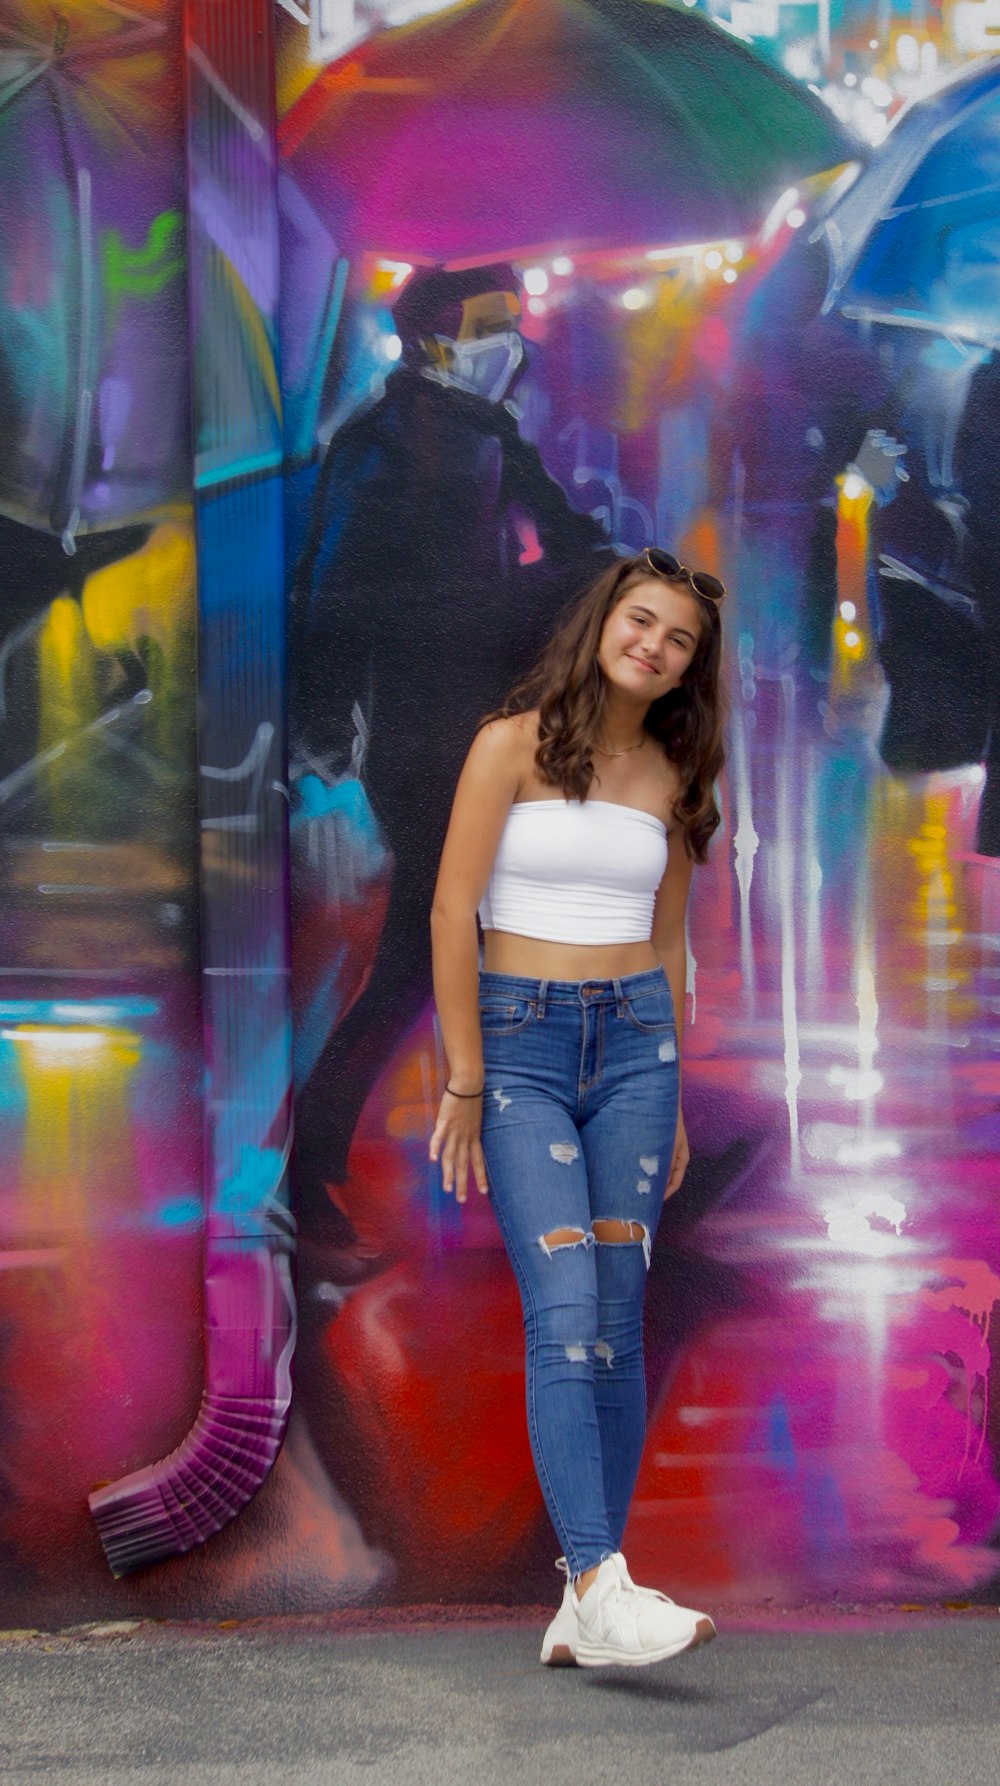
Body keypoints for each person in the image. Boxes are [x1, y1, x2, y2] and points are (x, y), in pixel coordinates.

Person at [428, 547, 725, 1668]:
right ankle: (598, 1580)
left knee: (617, 1315)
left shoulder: (676, 772)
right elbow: (454, 909)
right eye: (639, 621)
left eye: (678, 638)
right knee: (564, 1308)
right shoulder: (510, 743)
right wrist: (466, 1073)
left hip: (638, 1052)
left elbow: (668, 942)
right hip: (521, 1046)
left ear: (690, 665)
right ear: (604, 623)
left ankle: (589, 1594)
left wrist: (675, 1087)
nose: (652, 644)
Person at [290, 263, 615, 1215]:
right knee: (428, 954)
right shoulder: (380, 446)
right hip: (424, 739)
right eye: (490, 326)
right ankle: (313, 1152)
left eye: (516, 325)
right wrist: (321, 735)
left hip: (485, 726)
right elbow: (334, 597)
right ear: (434, 339)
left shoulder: (489, 434)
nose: (509, 344)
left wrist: (603, 575)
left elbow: (566, 536)